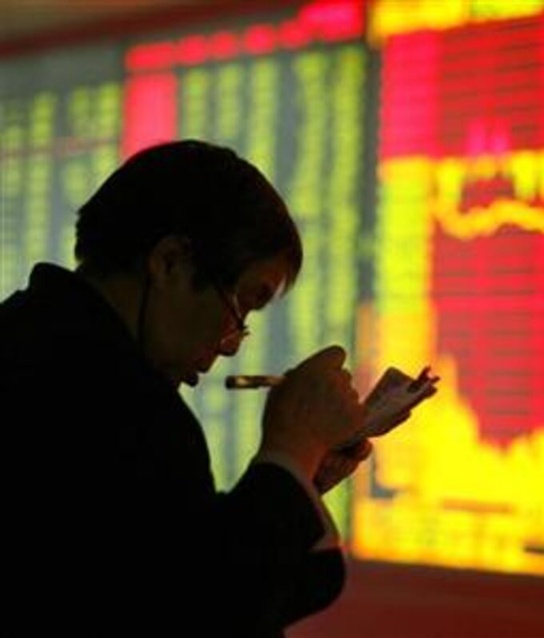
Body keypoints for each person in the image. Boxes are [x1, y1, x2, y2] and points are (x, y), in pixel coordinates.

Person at [0, 140, 380, 637]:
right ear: (171, 262)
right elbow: (202, 607)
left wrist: (293, 475)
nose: (232, 345)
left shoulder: (24, 335)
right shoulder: (128, 406)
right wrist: (292, 447)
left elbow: (148, 555)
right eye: (242, 304)